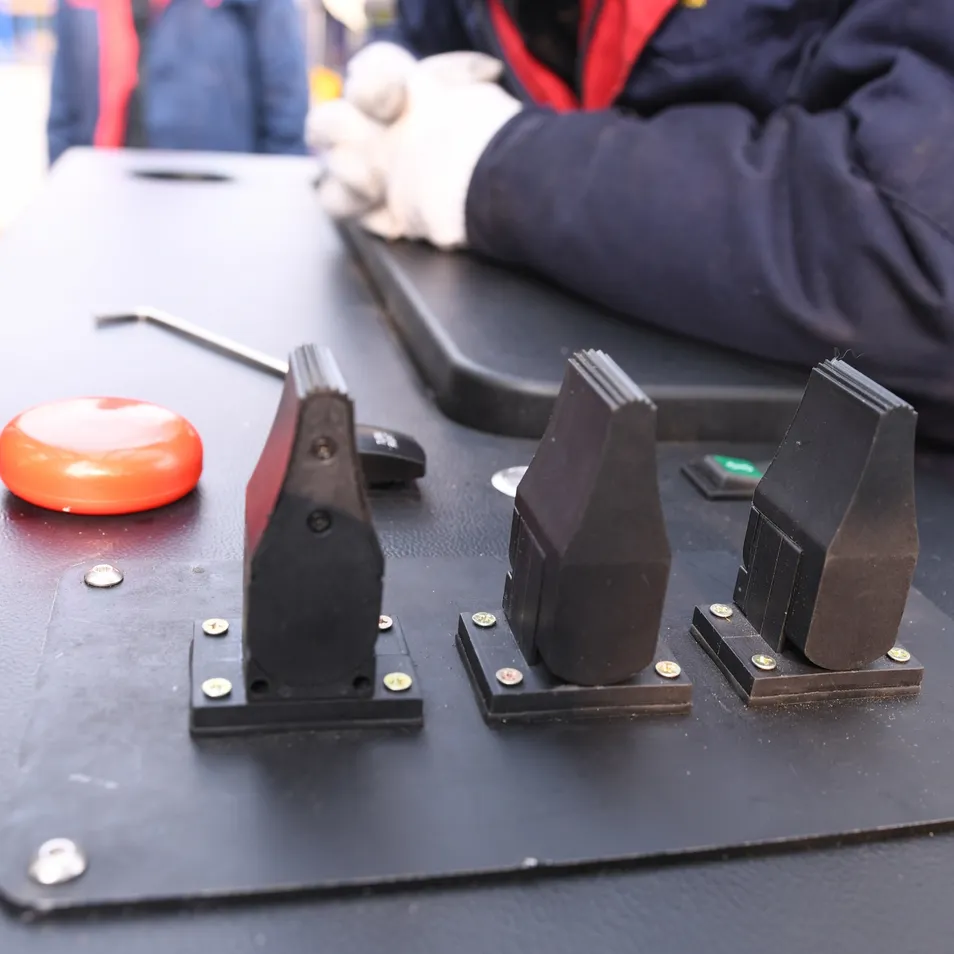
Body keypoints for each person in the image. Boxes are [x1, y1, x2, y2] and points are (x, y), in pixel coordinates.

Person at [309, 0, 954, 443]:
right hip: (523, 397)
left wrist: (491, 166)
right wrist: (399, 90)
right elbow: (436, 38)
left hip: (845, 474)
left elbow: (918, 249)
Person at [48, 0, 309, 164]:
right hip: (106, 190)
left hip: (215, 197)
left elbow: (285, 105)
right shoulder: (79, 7)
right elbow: (64, 112)